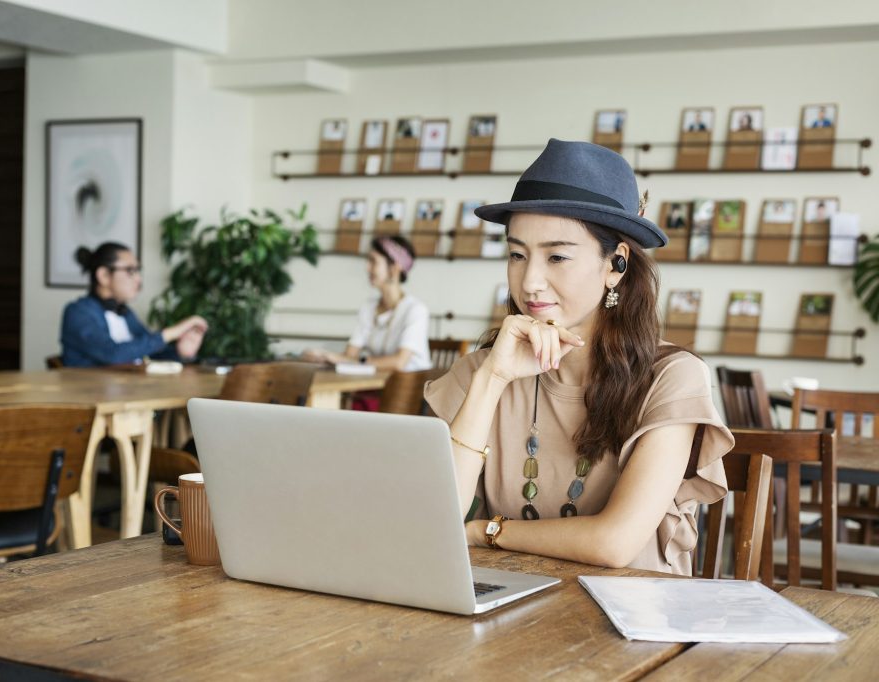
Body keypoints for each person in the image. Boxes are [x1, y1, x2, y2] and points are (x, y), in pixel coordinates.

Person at [423, 139, 733, 575]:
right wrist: (494, 377)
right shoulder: (485, 372)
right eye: (516, 254)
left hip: (630, 627)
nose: (530, 281)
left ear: (616, 265)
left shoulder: (672, 378)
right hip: (508, 618)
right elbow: (433, 523)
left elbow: (615, 543)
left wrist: (486, 532)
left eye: (557, 256)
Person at [60, 242, 207, 367]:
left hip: (130, 394)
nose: (138, 279)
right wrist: (170, 333)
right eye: (130, 271)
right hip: (92, 397)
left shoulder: (126, 313)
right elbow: (113, 354)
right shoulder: (77, 312)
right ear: (103, 275)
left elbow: (149, 352)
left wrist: (180, 352)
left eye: (138, 271)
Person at [303, 235, 432, 372]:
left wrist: (346, 360)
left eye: (373, 261)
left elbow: (399, 363)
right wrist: (324, 356)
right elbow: (350, 355)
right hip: (377, 383)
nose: (367, 268)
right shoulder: (369, 307)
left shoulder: (416, 310)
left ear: (395, 268)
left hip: (410, 388)